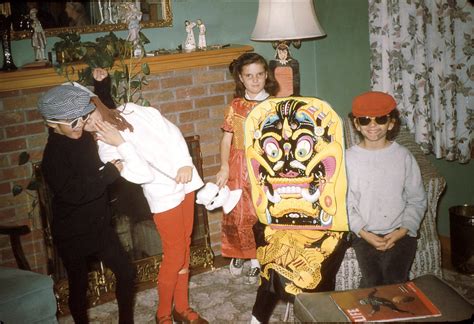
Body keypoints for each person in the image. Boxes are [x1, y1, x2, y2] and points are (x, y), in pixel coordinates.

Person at [80, 68, 208, 324]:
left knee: (184, 247)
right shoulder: (105, 149)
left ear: (97, 103)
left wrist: (184, 161)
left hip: (186, 181)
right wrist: (120, 143)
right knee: (174, 255)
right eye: (84, 122)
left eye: (90, 114)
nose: (91, 123)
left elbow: (169, 130)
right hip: (163, 196)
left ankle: (181, 307)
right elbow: (140, 174)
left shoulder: (131, 110)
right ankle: (162, 313)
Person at [37, 85, 135, 324]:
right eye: (72, 122)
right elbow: (76, 193)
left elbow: (106, 110)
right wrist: (108, 174)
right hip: (72, 233)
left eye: (82, 118)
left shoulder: (83, 140)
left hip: (99, 227)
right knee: (79, 285)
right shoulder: (53, 157)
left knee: (126, 271)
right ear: (52, 124)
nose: (80, 125)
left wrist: (102, 85)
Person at [346, 91, 427, 288]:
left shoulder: (403, 156)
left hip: (400, 233)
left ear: (391, 123)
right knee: (372, 281)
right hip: (364, 234)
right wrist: (364, 233)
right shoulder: (348, 159)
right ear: (357, 124)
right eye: (365, 120)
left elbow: (417, 199)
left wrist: (402, 231)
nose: (372, 126)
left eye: (380, 119)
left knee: (395, 279)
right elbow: (344, 204)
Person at [215, 53, 279, 284]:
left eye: (259, 75)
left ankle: (255, 259)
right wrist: (223, 167)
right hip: (237, 163)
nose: (254, 80)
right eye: (249, 76)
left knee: (257, 212)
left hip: (262, 165)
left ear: (266, 76)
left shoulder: (273, 105)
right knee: (235, 211)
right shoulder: (235, 105)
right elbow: (226, 139)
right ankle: (237, 253)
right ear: (241, 79)